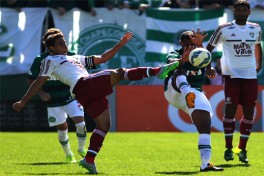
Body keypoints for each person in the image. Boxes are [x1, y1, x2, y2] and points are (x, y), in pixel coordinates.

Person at [12, 29, 179, 174]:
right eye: (61, 44)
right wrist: (23, 101)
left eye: (64, 42)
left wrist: (121, 44)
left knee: (104, 125)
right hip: (84, 84)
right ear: (52, 48)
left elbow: (102, 58)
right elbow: (38, 82)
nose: (65, 46)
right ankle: (157, 70)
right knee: (120, 72)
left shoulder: (74, 57)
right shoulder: (50, 60)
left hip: (84, 93)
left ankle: (89, 159)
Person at [206, 0, 263, 164]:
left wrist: (259, 64)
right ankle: (229, 148)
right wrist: (208, 67)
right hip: (231, 75)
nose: (241, 13)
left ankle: (242, 149)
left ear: (249, 12)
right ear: (233, 11)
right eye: (238, 10)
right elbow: (208, 49)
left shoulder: (256, 28)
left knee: (249, 112)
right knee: (230, 110)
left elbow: (258, 46)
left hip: (250, 75)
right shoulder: (223, 29)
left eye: (244, 10)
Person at [163, 28, 223, 172]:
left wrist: (202, 48)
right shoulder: (175, 53)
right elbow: (171, 61)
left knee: (205, 124)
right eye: (187, 41)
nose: (190, 44)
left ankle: (205, 163)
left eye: (193, 40)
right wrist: (182, 60)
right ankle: (187, 91)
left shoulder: (200, 52)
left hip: (194, 93)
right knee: (180, 71)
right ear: (181, 42)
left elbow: (207, 61)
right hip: (175, 92)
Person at [27, 28, 87, 164]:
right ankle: (68, 154)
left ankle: (82, 149)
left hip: (70, 96)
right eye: (59, 42)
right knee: (62, 128)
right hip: (53, 100)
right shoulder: (40, 60)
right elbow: (31, 79)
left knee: (80, 122)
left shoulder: (71, 56)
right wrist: (41, 92)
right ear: (49, 45)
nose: (63, 45)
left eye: (63, 41)